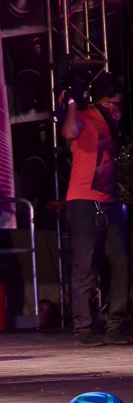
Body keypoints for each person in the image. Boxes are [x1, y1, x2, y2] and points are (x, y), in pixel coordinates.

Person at [61, 73, 130, 346]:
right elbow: (69, 133)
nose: (118, 108)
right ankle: (83, 330)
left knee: (121, 263)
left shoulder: (112, 125)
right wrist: (71, 103)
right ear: (104, 100)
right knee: (84, 265)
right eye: (115, 102)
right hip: (83, 200)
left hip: (109, 200)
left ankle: (116, 325)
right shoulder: (84, 116)